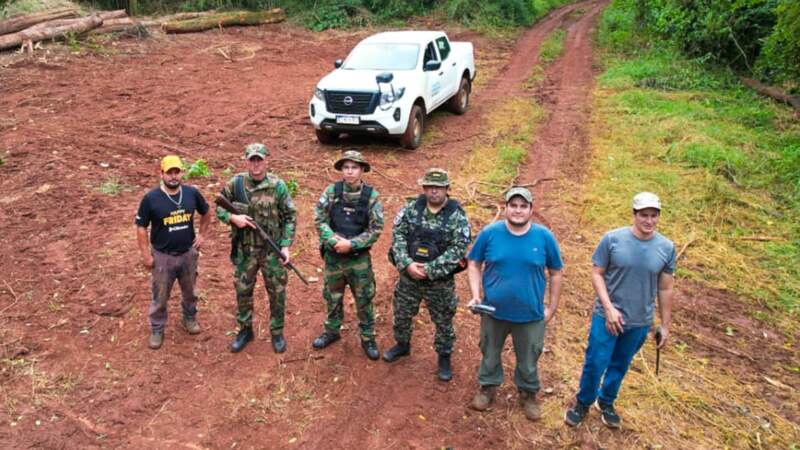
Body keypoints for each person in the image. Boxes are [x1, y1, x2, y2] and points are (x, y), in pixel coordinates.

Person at [564, 192, 675, 429]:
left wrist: (664, 325)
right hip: (607, 316)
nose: (649, 221)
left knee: (621, 364)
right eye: (644, 215)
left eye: (653, 216)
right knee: (596, 361)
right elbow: (597, 273)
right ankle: (583, 401)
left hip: (639, 320)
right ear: (634, 214)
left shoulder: (666, 247)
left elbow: (665, 288)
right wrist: (608, 308)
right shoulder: (612, 239)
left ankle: (606, 401)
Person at [467, 187, 563, 421]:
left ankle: (528, 393)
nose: (518, 210)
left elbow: (556, 272)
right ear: (506, 207)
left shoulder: (544, 237)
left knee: (529, 357)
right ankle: (488, 387)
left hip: (530, 313)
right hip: (493, 311)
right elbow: (473, 263)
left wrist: (551, 307)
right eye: (513, 205)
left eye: (523, 206)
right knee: (489, 352)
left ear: (531, 210)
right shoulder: (490, 233)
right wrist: (476, 294)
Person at [383, 168, 471, 382]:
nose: (433, 191)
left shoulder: (457, 216)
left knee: (443, 320)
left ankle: (444, 356)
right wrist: (407, 264)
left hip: (439, 282)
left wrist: (430, 269)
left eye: (438, 187)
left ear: (447, 189)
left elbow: (458, 249)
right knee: (402, 313)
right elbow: (398, 236)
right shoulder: (411, 209)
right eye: (430, 187)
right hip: (409, 276)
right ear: (424, 188)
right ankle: (402, 345)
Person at [216, 143, 297, 354]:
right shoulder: (236, 184)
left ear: (266, 160)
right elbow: (218, 206)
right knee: (243, 292)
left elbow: (290, 217)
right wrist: (233, 217)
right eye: (252, 159)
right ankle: (245, 330)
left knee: (277, 293)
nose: (256, 164)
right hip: (245, 250)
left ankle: (277, 332)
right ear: (246, 161)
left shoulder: (277, 185)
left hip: (272, 251)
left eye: (259, 159)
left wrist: (286, 246)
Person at [311, 150, 384, 360]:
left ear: (361, 170)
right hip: (334, 257)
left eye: (354, 167)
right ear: (342, 170)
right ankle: (332, 331)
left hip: (358, 259)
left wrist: (351, 244)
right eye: (346, 167)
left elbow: (376, 228)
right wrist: (333, 241)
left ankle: (368, 337)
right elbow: (319, 219)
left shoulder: (371, 196)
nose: (350, 171)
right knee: (332, 296)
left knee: (364, 298)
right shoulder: (331, 192)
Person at [135, 155, 211, 350]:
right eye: (169, 172)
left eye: (177, 172)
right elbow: (141, 227)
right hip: (163, 256)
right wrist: (146, 255)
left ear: (181, 173)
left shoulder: (191, 194)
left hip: (188, 254)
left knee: (190, 292)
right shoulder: (151, 198)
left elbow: (206, 212)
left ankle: (189, 318)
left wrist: (202, 235)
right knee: (160, 295)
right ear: (161, 173)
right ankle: (157, 328)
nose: (173, 176)